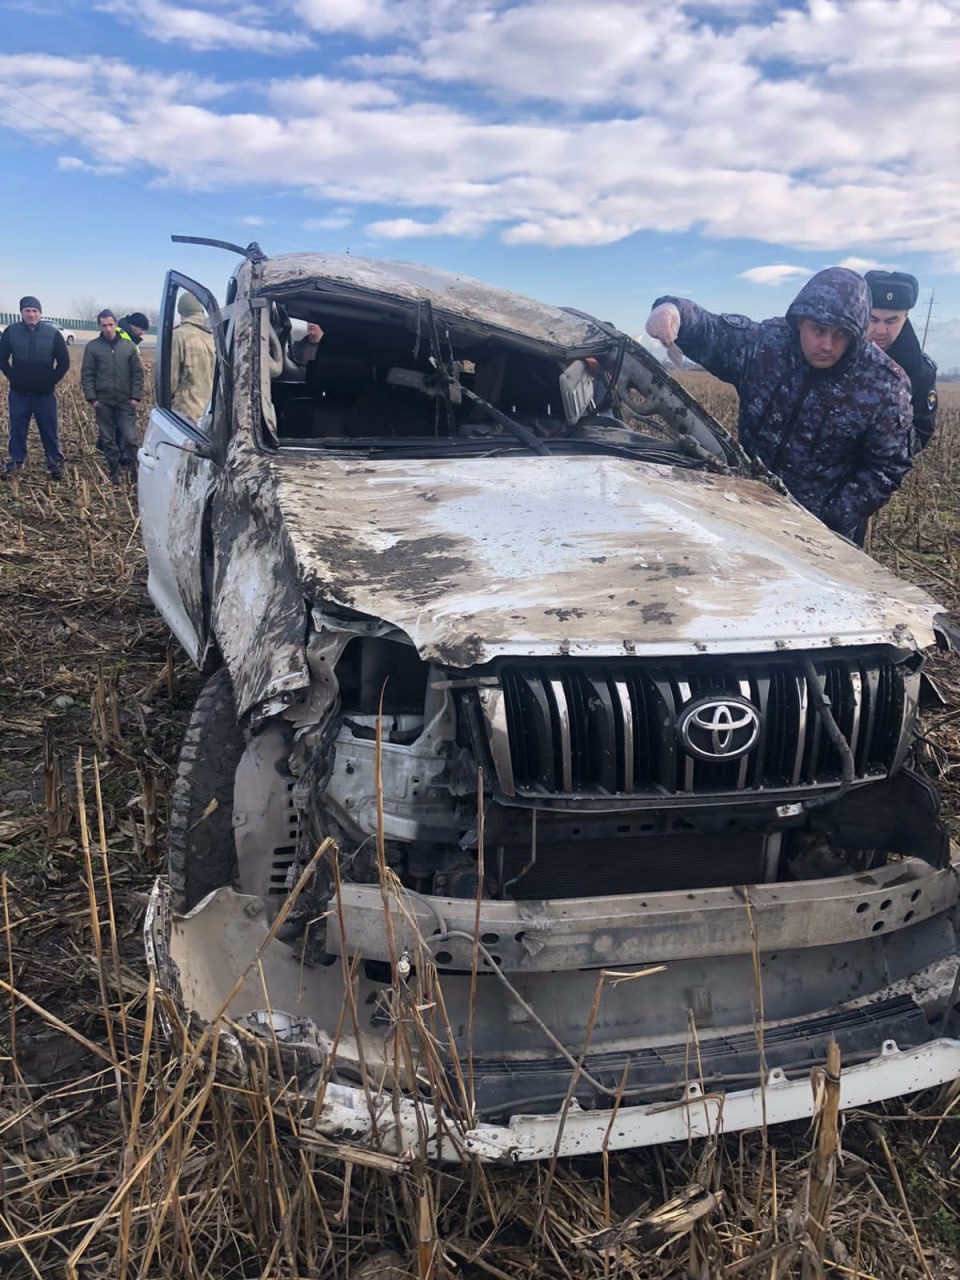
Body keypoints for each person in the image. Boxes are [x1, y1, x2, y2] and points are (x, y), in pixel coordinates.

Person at [645, 268, 913, 545]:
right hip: (744, 510)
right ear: (799, 323)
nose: (827, 345)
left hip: (819, 537)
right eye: (818, 330)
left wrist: (828, 517)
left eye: (842, 334)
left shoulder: (884, 384)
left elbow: (886, 468)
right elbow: (711, 330)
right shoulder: (766, 346)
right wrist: (672, 310)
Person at [864, 271, 938, 452]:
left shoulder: (919, 371)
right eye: (873, 319)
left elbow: (921, 433)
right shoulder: (832, 350)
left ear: (905, 317)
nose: (881, 330)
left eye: (891, 321)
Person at [0, 295, 69, 479]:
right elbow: (2, 358)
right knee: (17, 429)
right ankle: (15, 463)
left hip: (44, 394)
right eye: (27, 311)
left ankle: (55, 464)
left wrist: (50, 380)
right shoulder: (11, 332)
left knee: (49, 430)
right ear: (21, 312)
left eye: (34, 311)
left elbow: (64, 363)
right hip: (19, 393)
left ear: (40, 313)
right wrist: (12, 376)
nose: (31, 314)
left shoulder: (53, 334)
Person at [81, 309, 144, 483]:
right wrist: (92, 399)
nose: (108, 328)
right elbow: (87, 374)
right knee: (108, 440)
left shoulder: (128, 346)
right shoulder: (93, 347)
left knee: (130, 438)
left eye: (110, 324)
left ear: (116, 324)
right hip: (104, 402)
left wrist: (135, 397)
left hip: (125, 401)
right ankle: (114, 472)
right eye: (104, 325)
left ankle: (134, 471)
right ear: (99, 326)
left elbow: (137, 374)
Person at [170, 293, 216, 423]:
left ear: (181, 311)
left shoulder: (179, 336)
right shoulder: (214, 336)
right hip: (210, 414)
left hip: (186, 414)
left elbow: (170, 380)